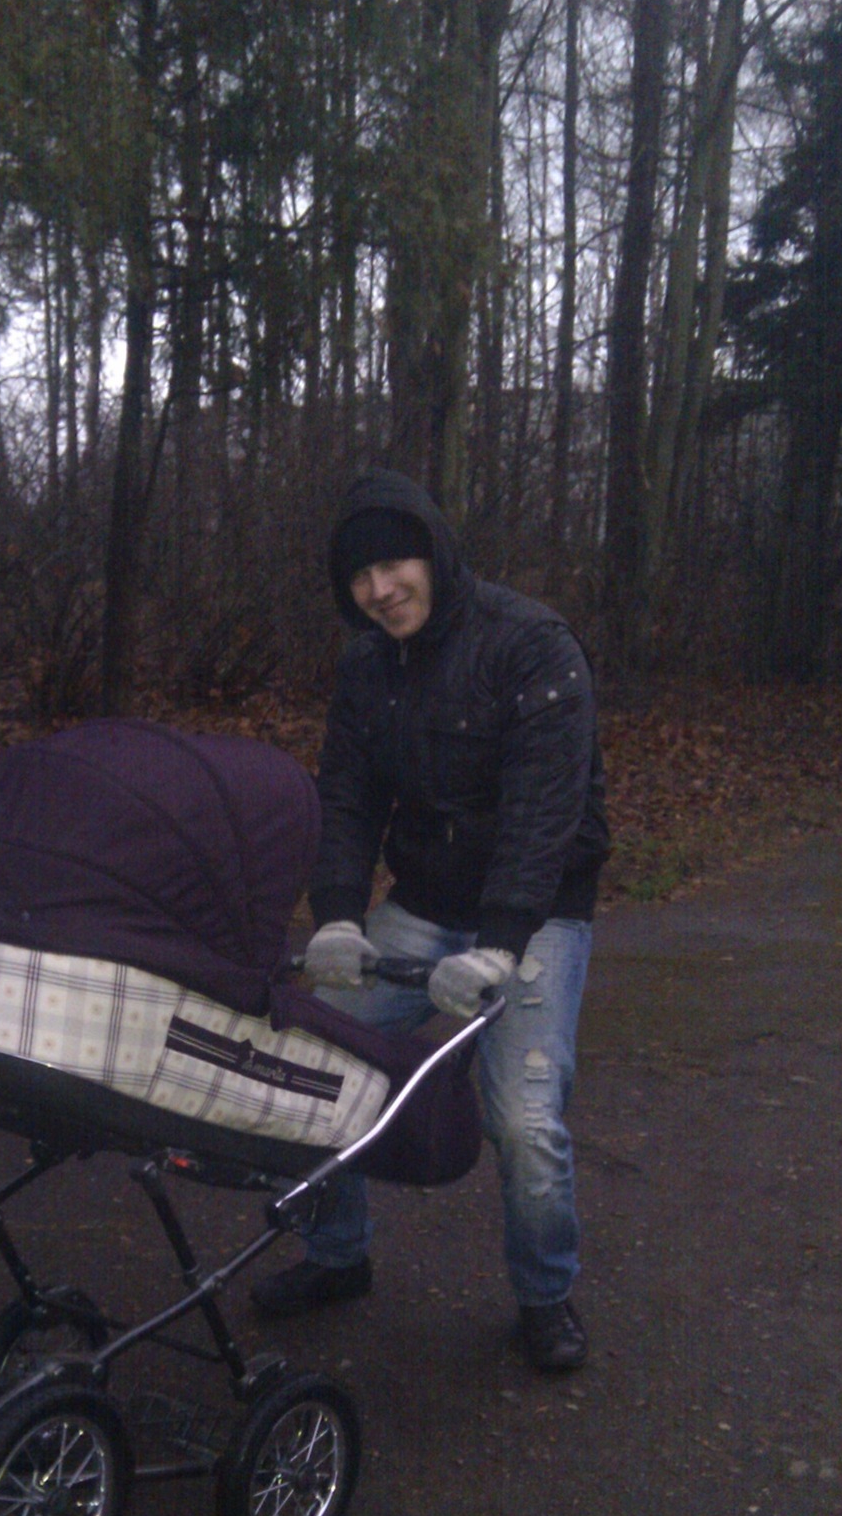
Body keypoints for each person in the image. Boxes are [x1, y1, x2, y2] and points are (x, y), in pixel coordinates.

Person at [250, 468, 609, 1373]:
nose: (380, 590)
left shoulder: (531, 646)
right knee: (311, 1052)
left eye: (394, 565)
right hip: (423, 905)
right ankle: (337, 1255)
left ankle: (545, 1294)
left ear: (435, 554)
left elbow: (545, 816)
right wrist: (339, 918)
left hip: (535, 916)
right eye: (359, 578)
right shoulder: (368, 664)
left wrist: (501, 944)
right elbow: (347, 796)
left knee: (524, 1122)